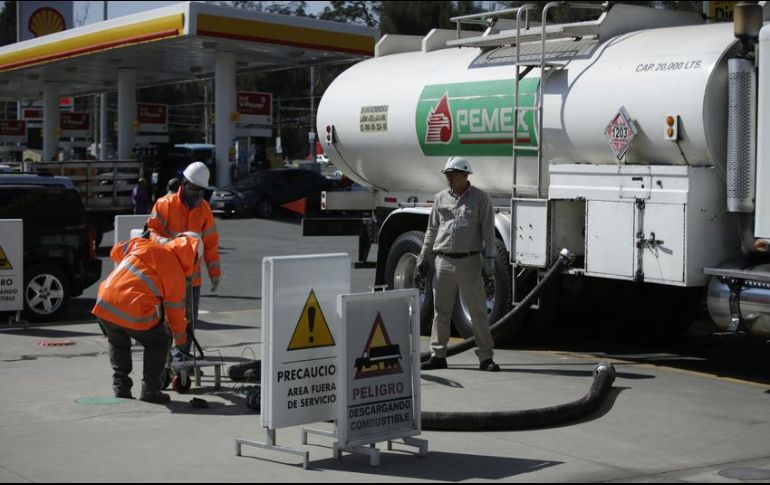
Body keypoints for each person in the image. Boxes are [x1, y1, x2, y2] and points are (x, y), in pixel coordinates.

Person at [92, 235, 200, 403]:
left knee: (118, 342)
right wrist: (180, 340)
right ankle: (150, 391)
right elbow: (175, 313)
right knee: (159, 342)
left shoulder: (143, 244)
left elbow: (116, 251)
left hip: (104, 302)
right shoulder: (176, 272)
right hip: (132, 308)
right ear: (193, 257)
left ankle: (121, 388)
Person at [417, 157, 500, 372]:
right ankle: (438, 355)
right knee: (441, 312)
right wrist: (423, 256)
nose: (449, 178)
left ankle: (485, 358)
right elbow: (432, 230)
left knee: (478, 312)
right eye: (447, 174)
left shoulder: (480, 199)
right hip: (443, 261)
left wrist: (489, 260)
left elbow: (489, 232)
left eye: (453, 174)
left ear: (465, 175)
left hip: (470, 262)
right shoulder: (440, 198)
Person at [147, 162, 221, 362]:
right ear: (183, 183)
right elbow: (151, 230)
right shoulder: (165, 205)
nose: (197, 194)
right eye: (193, 188)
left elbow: (211, 244)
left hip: (192, 279)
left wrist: (215, 274)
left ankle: (182, 356)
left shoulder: (204, 209)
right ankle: (165, 359)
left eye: (200, 190)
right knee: (167, 320)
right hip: (168, 275)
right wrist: (161, 241)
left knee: (189, 321)